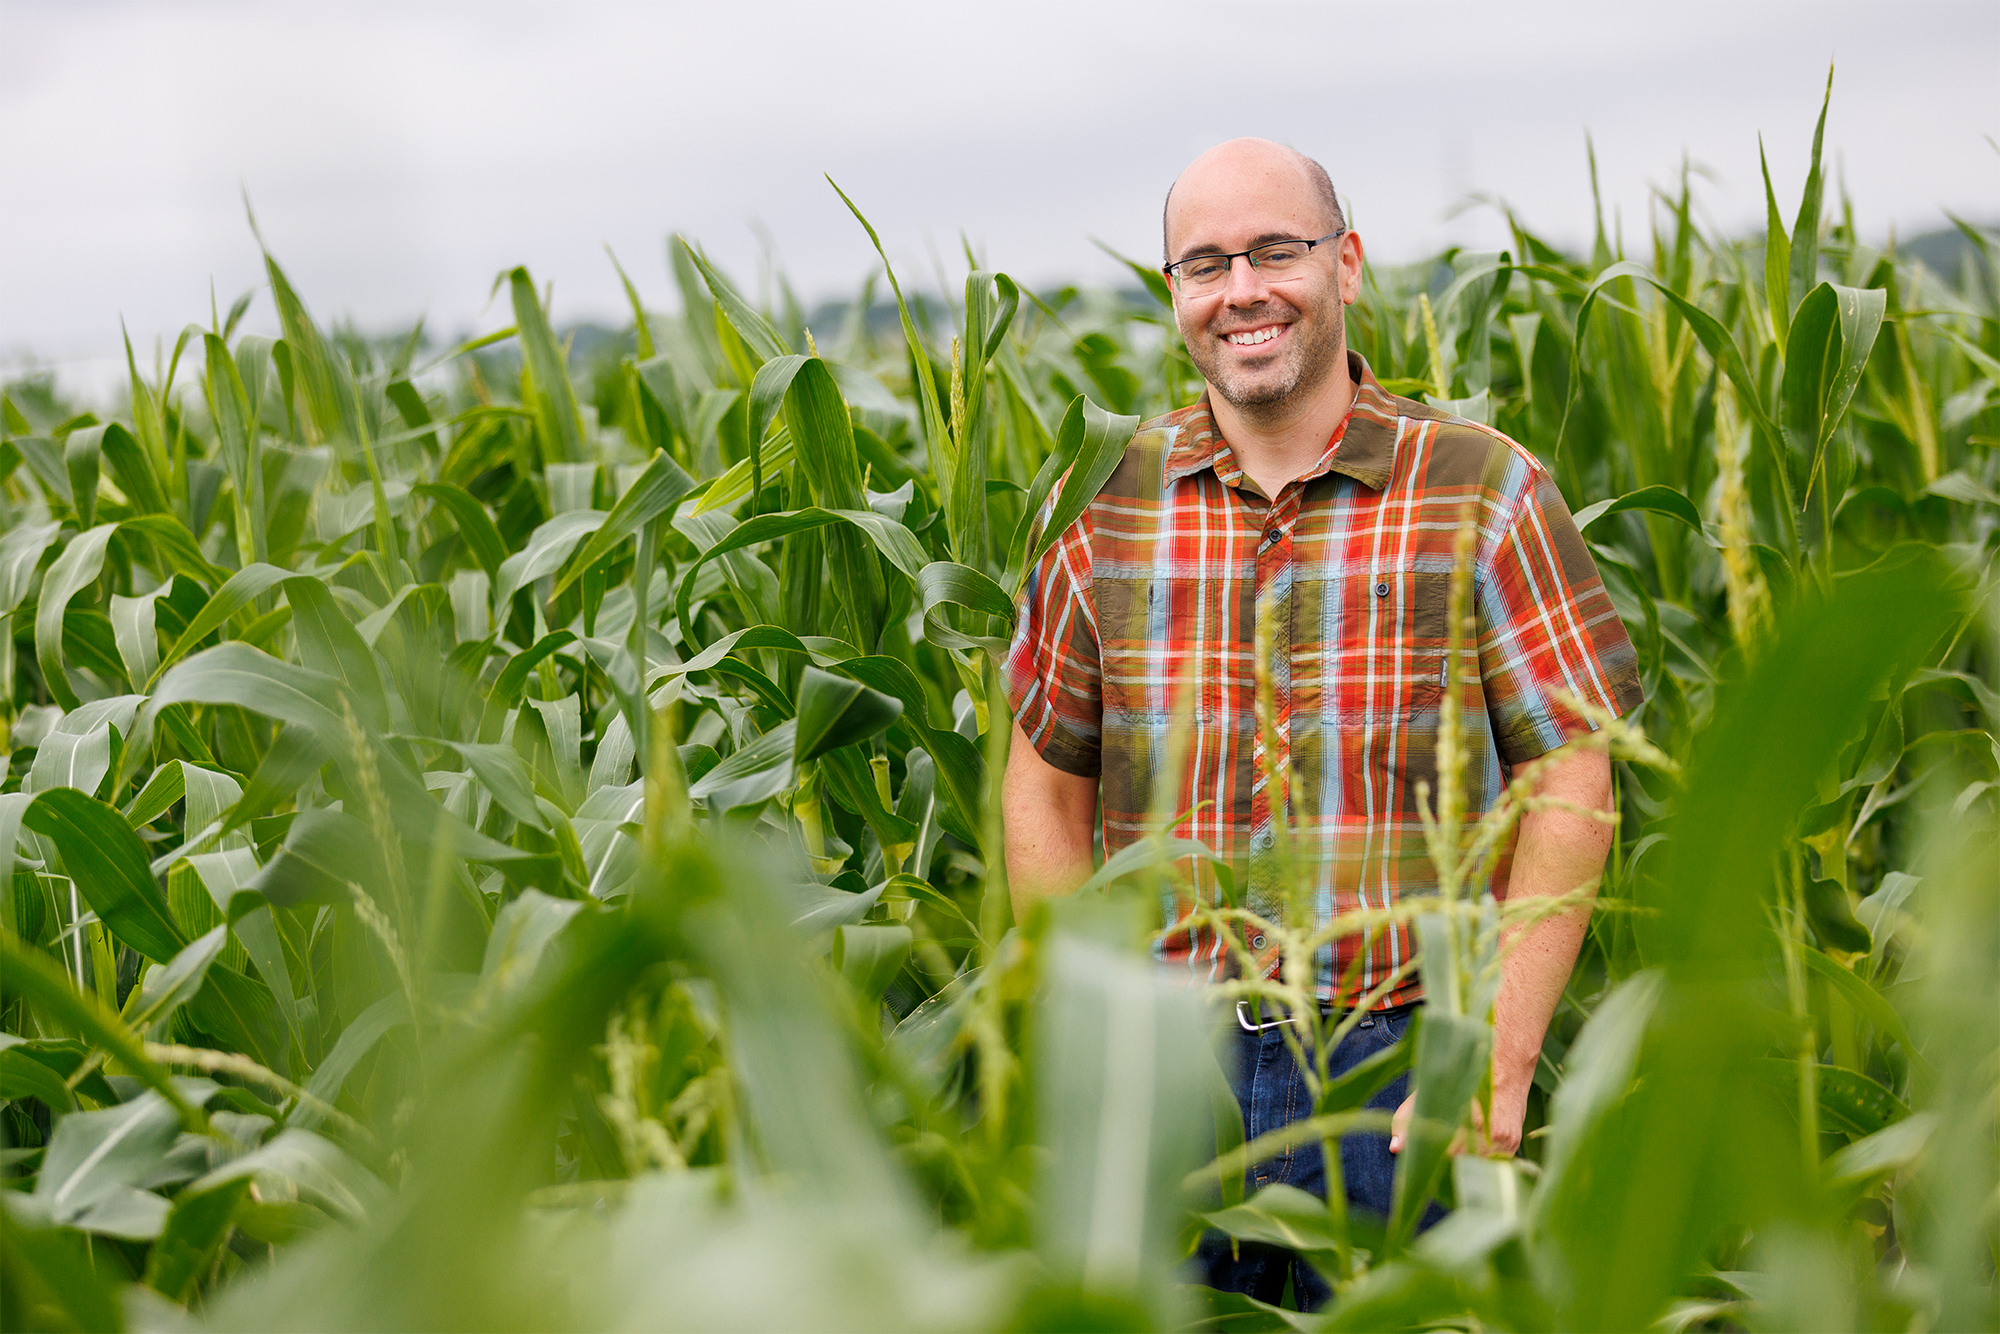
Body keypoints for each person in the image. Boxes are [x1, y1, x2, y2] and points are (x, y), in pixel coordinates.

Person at [1001, 138, 1643, 1309]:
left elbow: (1571, 778)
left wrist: (1494, 1055)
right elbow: (1045, 785)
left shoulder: (1479, 490)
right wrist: (1079, 1029)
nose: (1241, 289)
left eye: (1275, 252)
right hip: (1165, 1063)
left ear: (1344, 265)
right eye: (1204, 264)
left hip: (1395, 1068)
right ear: (1174, 297)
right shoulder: (1099, 503)